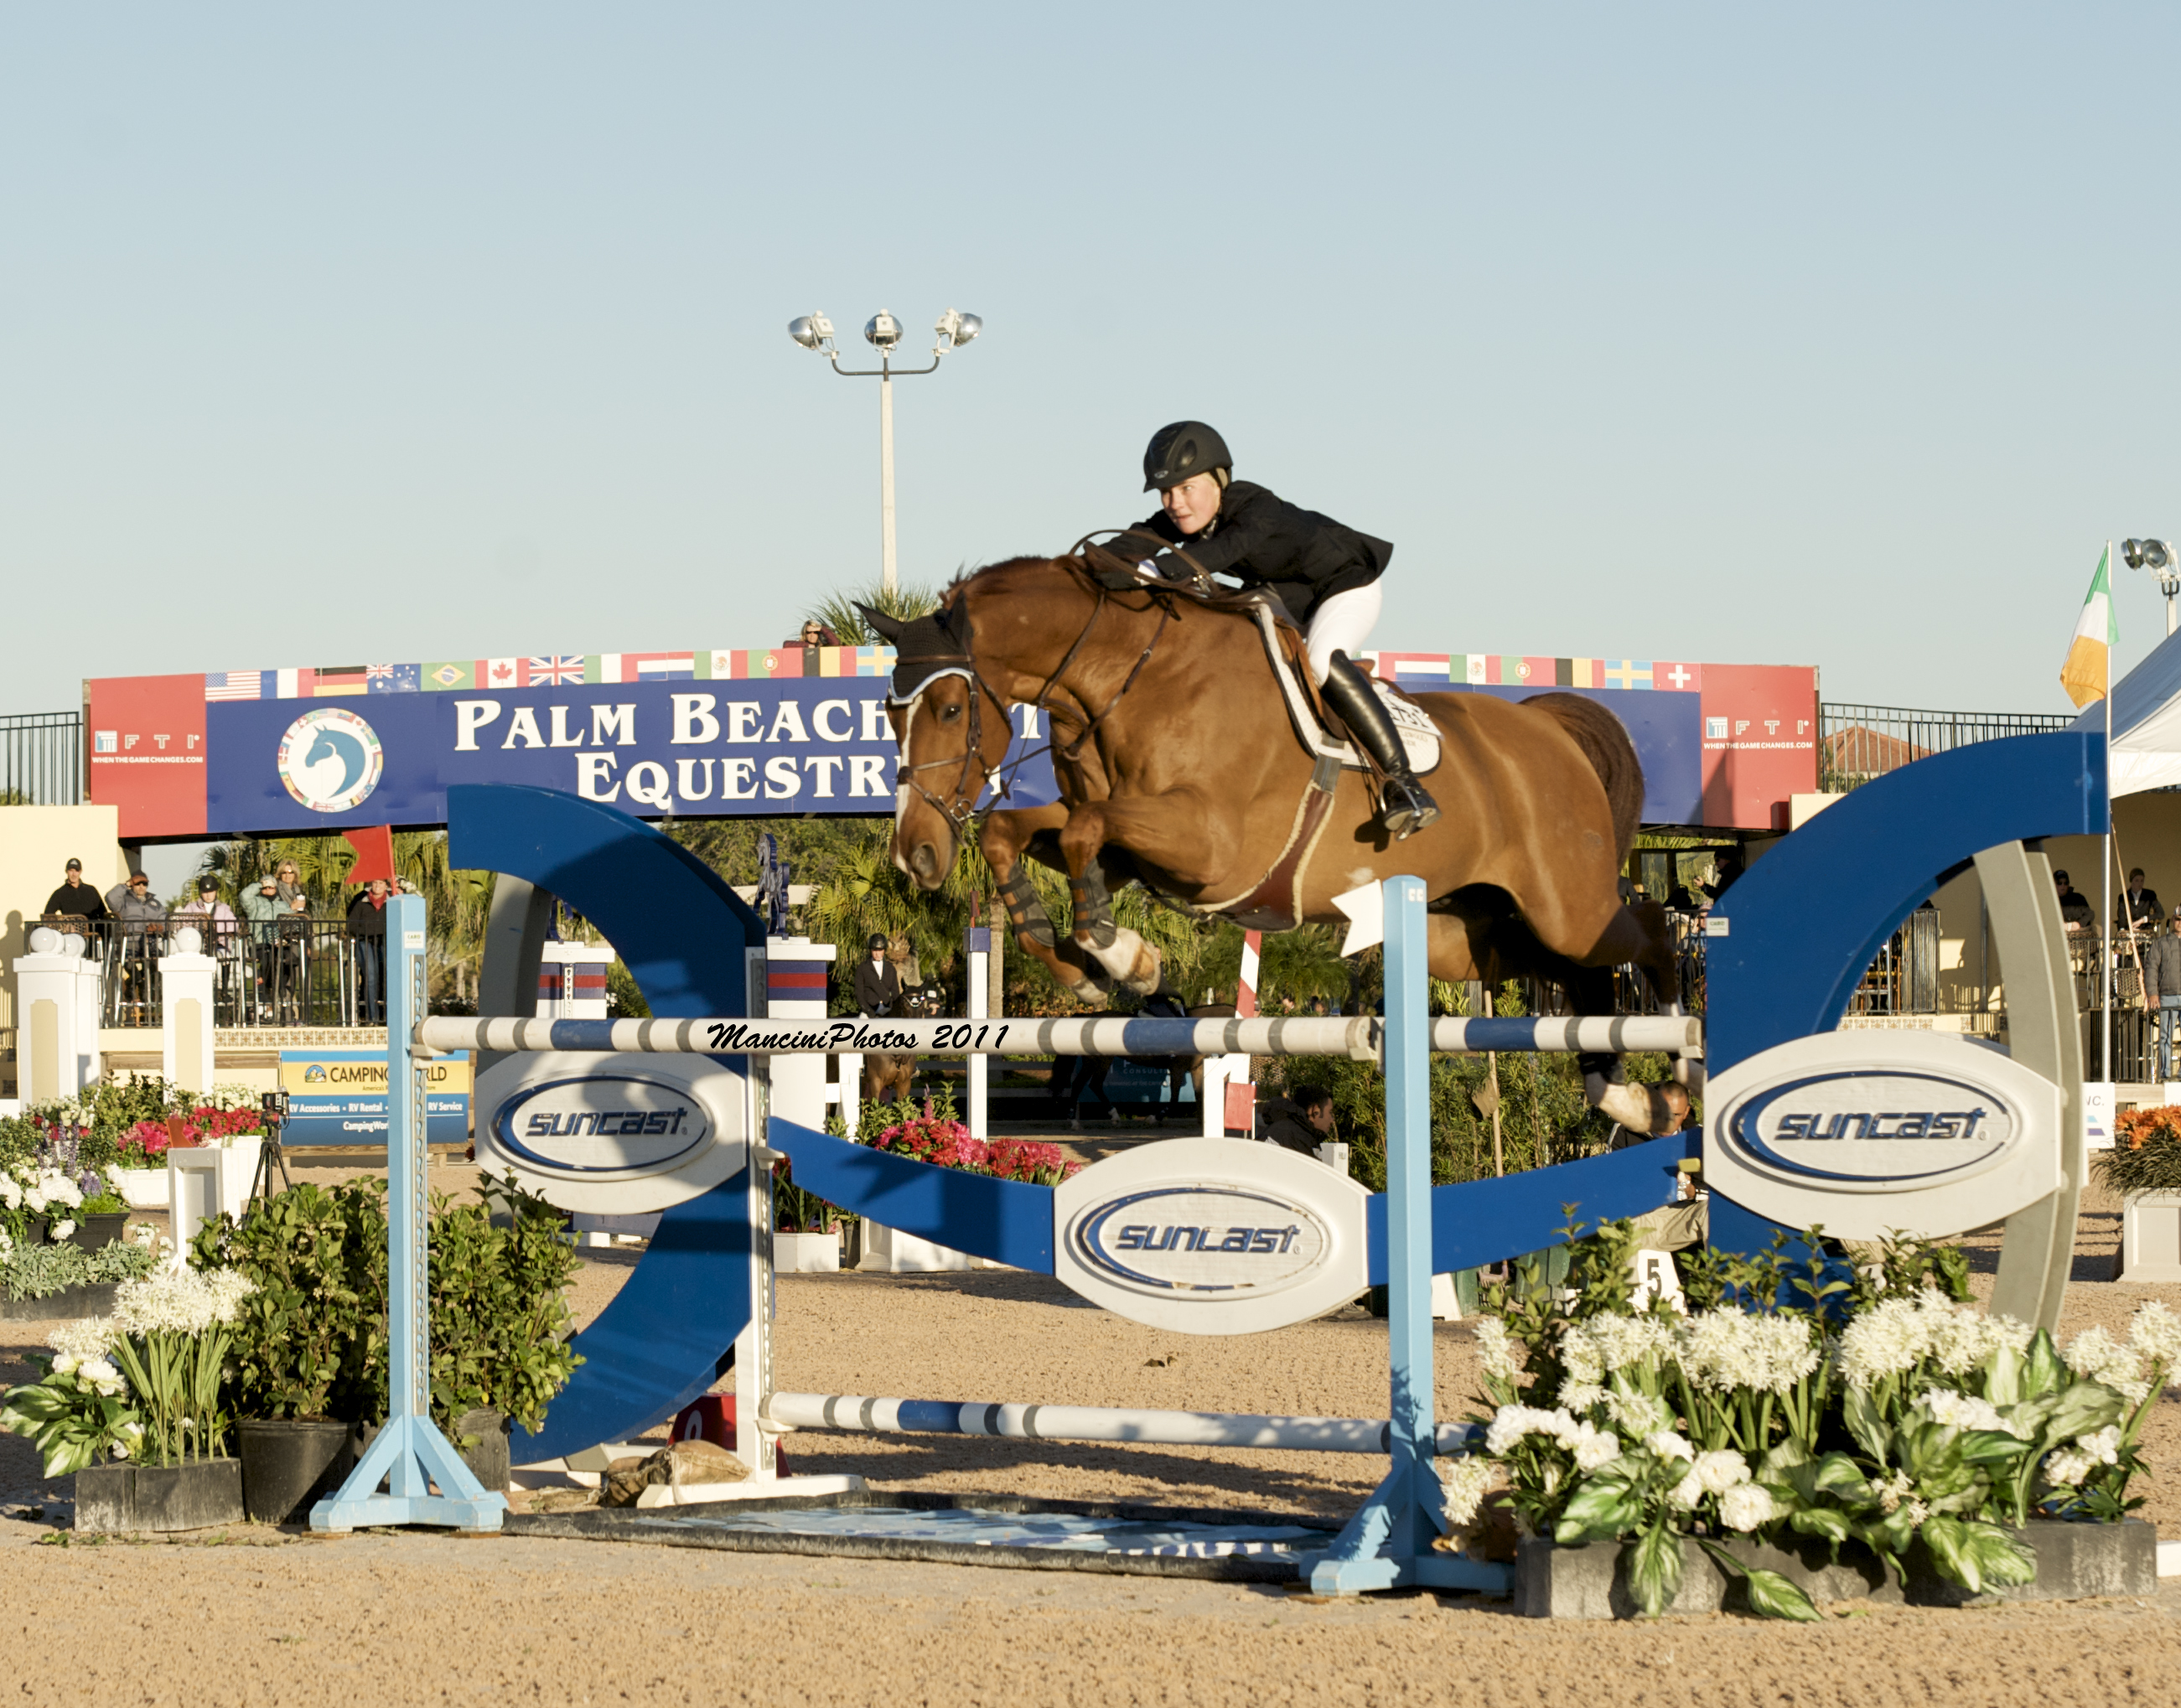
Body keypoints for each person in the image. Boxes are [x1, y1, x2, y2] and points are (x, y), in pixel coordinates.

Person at [1120, 421, 1438, 839]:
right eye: (1166, 492)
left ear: (1219, 481)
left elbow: (1223, 551)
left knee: (1321, 660)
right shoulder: (1179, 518)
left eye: (1186, 488)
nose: (1175, 503)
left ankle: (1404, 785)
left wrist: (1154, 570)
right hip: (1284, 596)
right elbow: (1127, 544)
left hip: (1344, 588)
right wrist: (1076, 572)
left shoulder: (1257, 506)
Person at [2146, 903, 2181, 1081]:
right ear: (2173, 919)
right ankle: (2165, 1074)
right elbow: (2151, 968)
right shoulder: (2161, 943)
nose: (2180, 922)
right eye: (2178, 919)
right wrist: (2152, 993)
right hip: (2167, 995)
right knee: (2165, 1036)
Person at [347, 878, 391, 1023]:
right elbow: (351, 925)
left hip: (385, 942)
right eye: (375, 883)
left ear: (386, 886)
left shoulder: (392, 902)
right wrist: (367, 930)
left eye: (381, 883)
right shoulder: (361, 902)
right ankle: (372, 1017)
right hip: (364, 941)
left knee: (387, 976)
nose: (377, 886)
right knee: (370, 977)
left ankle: (388, 1015)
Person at [1259, 1084, 1336, 1156]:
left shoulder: (1288, 1131)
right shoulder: (1296, 1139)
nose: (1332, 1120)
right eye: (1330, 1112)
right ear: (1315, 1111)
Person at [41, 857, 110, 935]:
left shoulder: (91, 890)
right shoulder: (59, 893)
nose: (74, 874)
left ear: (80, 872)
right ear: (66, 871)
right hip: (71, 936)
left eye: (76, 871)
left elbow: (103, 913)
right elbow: (47, 915)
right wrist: (64, 926)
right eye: (71, 870)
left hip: (92, 935)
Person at [853, 933, 901, 1017]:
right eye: (875, 950)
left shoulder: (891, 968)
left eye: (880, 950)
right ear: (870, 950)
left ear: (884, 950)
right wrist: (868, 1010)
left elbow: (895, 992)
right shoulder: (863, 968)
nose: (878, 954)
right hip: (868, 1011)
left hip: (887, 1009)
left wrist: (892, 1008)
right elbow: (859, 994)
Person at [2120, 868, 2164, 934]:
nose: (2140, 883)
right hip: (2130, 930)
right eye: (2137, 881)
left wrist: (2144, 919)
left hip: (2146, 931)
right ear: (2131, 881)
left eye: (2142, 881)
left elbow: (2161, 913)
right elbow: (2121, 915)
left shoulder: (2150, 894)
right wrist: (2124, 929)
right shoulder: (2124, 896)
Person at [2054, 869, 2095, 934]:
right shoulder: (2049, 900)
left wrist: (2079, 924)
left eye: (2066, 883)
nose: (2063, 886)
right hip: (2057, 934)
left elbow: (2090, 914)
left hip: (2078, 935)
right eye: (2059, 883)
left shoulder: (2078, 898)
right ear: (2053, 884)